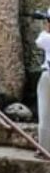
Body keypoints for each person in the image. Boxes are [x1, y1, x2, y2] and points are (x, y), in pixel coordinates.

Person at [36, 9, 50, 154]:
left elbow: (39, 42)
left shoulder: (46, 38)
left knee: (45, 114)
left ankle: (45, 149)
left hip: (48, 76)